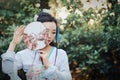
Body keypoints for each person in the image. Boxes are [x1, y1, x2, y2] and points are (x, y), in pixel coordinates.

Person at [1, 12, 72, 80]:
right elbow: (7, 69)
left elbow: (68, 78)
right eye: (46, 31)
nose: (50, 36)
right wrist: (13, 43)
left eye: (53, 32)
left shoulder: (60, 54)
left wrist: (48, 66)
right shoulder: (24, 54)